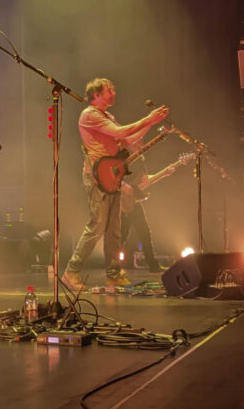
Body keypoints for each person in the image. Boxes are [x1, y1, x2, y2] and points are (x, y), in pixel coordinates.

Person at [63, 78, 169, 291]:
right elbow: (121, 132)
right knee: (97, 226)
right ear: (97, 94)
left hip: (112, 176)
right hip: (97, 177)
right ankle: (70, 272)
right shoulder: (90, 114)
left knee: (114, 228)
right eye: (108, 90)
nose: (113, 93)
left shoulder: (107, 116)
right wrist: (148, 118)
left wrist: (150, 123)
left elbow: (129, 139)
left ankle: (113, 274)